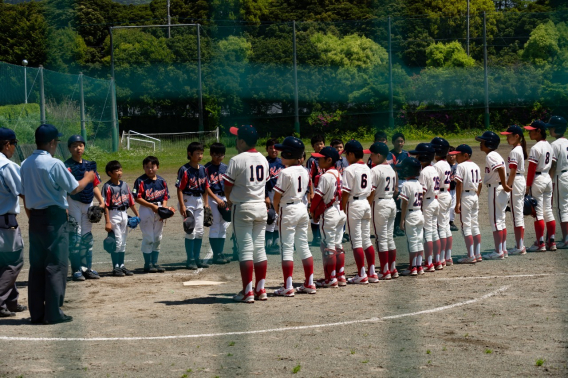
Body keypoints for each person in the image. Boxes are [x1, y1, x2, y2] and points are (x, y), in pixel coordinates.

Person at [21, 124, 96, 324]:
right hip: (54, 217)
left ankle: (37, 313)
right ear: (52, 143)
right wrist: (88, 177)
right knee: (55, 264)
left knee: (37, 266)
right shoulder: (54, 164)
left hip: (35, 217)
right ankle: (53, 313)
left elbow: (23, 192)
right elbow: (74, 188)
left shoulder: (25, 163)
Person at [223, 125, 270, 303]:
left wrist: (229, 199)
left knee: (245, 251)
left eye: (237, 138)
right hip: (260, 206)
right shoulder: (263, 159)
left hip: (242, 207)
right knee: (259, 249)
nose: (236, 141)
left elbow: (227, 186)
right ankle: (261, 289)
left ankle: (248, 291)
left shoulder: (236, 160)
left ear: (242, 141)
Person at [272, 137, 316, 296]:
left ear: (289, 153)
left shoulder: (285, 172)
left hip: (288, 209)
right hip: (301, 208)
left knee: (287, 248)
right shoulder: (305, 170)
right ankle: (310, 283)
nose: (280, 153)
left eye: (283, 151)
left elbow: (276, 197)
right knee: (303, 246)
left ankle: (288, 286)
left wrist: (277, 211)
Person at [64, 135, 103, 281]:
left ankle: (86, 268)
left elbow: (94, 185)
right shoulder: (66, 166)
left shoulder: (89, 165)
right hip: (72, 202)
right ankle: (76, 270)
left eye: (80, 145)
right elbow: (63, 188)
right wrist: (65, 207)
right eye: (74, 145)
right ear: (69, 148)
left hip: (88, 203)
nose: (78, 148)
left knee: (87, 237)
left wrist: (101, 201)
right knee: (75, 237)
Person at [340, 140, 377, 284]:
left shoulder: (349, 170)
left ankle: (361, 274)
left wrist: (342, 209)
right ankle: (372, 272)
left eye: (346, 154)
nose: (346, 158)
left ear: (351, 153)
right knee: (366, 239)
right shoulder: (368, 168)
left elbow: (345, 193)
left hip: (354, 204)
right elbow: (372, 190)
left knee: (356, 241)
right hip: (365, 203)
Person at [0, 128, 27, 318]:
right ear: (7, 144)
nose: (14, 148)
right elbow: (22, 190)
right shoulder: (7, 166)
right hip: (5, 220)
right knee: (14, 261)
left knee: (5, 262)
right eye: (13, 144)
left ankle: (11, 301)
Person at [309, 146, 346, 288]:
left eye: (320, 158)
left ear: (329, 160)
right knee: (338, 244)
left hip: (329, 213)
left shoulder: (325, 176)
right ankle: (340, 276)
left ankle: (330, 279)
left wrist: (313, 212)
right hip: (339, 211)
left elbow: (318, 197)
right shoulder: (338, 174)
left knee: (328, 246)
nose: (317, 160)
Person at [133, 156, 173, 273]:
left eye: (152, 167)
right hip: (147, 209)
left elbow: (165, 196)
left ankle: (154, 263)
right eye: (147, 167)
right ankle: (148, 263)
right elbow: (137, 198)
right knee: (149, 237)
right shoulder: (140, 181)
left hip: (159, 208)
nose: (150, 169)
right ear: (144, 168)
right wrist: (152, 206)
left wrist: (164, 207)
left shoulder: (162, 181)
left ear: (157, 167)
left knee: (157, 237)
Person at [476, 131, 511, 260]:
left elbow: (500, 169)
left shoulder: (490, 155)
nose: (481, 144)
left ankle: (498, 251)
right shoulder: (495, 154)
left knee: (496, 222)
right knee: (501, 221)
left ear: (489, 143)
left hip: (496, 188)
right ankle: (503, 249)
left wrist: (505, 184)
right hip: (499, 188)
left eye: (483, 142)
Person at [102, 160, 139, 276]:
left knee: (123, 242)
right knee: (117, 241)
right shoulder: (107, 187)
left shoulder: (125, 185)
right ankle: (116, 267)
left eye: (120, 170)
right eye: (116, 170)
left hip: (124, 214)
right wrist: (107, 222)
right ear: (110, 173)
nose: (119, 172)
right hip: (113, 214)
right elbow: (105, 205)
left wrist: (137, 215)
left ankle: (122, 265)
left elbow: (131, 202)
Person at [177, 142, 210, 269]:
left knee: (200, 231)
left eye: (201, 153)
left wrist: (206, 203)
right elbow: (179, 188)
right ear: (190, 154)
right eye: (197, 153)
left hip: (199, 200)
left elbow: (205, 187)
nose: (200, 156)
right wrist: (182, 205)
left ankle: (197, 258)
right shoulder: (184, 170)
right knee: (190, 230)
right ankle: (190, 259)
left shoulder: (203, 169)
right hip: (187, 200)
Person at [524, 120, 556, 252]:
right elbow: (553, 164)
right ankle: (552, 242)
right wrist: (549, 177)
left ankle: (540, 243)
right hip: (547, 178)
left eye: (532, 130)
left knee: (538, 213)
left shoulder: (535, 148)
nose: (529, 132)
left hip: (537, 179)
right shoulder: (549, 145)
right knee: (548, 210)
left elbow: (531, 169)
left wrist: (527, 186)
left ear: (539, 131)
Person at [449, 145, 482, 264]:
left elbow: (459, 184)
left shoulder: (461, 166)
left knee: (466, 226)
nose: (456, 156)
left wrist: (457, 202)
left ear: (466, 155)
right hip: (474, 195)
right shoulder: (476, 166)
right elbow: (480, 184)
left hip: (466, 196)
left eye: (458, 154)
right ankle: (477, 254)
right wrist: (476, 196)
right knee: (475, 225)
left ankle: (470, 255)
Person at [369, 142, 398, 279]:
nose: (371, 157)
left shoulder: (375, 170)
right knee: (389, 237)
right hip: (391, 202)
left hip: (380, 203)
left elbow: (371, 191)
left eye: (372, 154)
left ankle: (385, 270)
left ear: (379, 155)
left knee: (381, 238)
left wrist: (368, 206)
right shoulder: (391, 169)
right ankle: (392, 269)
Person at [409, 143, 439, 272]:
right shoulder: (433, 169)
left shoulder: (424, 172)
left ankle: (428, 262)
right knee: (434, 233)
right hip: (434, 201)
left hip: (426, 203)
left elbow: (421, 192)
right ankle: (436, 261)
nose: (416, 157)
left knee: (427, 234)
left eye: (418, 154)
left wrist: (419, 208)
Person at [500, 125, 528, 255]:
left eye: (509, 135)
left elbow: (512, 172)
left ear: (517, 136)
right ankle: (519, 245)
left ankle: (520, 246)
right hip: (519, 180)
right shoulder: (519, 149)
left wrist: (507, 186)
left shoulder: (515, 151)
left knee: (516, 215)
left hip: (515, 181)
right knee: (517, 214)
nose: (506, 138)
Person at [397, 157, 425, 276]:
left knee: (412, 241)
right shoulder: (418, 183)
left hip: (411, 214)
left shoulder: (406, 185)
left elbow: (404, 203)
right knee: (419, 241)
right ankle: (419, 266)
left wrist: (402, 220)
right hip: (419, 213)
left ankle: (413, 267)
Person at [205, 142, 231, 264]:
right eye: (216, 154)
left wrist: (227, 199)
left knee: (223, 226)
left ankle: (220, 253)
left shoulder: (225, 168)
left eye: (221, 155)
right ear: (210, 154)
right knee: (215, 226)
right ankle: (216, 254)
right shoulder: (206, 169)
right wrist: (217, 199)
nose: (218, 157)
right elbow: (206, 187)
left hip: (224, 197)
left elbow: (229, 185)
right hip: (213, 198)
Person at [431, 137, 453, 268]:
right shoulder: (446, 164)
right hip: (447, 194)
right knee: (445, 227)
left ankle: (440, 258)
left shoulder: (437, 165)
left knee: (440, 228)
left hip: (439, 194)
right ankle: (447, 256)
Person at [547, 116, 568, 249]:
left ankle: (566, 238)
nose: (549, 129)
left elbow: (553, 164)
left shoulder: (554, 145)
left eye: (551, 127)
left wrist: (549, 179)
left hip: (561, 177)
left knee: (562, 209)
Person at [265, 138, 285, 254]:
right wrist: (265, 195)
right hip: (269, 193)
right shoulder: (264, 162)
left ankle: (276, 243)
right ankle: (268, 245)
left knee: (279, 219)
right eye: (271, 148)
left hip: (280, 193)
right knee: (271, 218)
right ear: (266, 149)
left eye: (276, 148)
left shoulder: (281, 162)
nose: (273, 150)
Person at [306, 135, 325, 246]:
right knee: (315, 212)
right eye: (317, 144)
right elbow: (309, 177)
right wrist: (311, 192)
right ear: (313, 146)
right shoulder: (312, 160)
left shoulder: (327, 157)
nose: (319, 146)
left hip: (326, 189)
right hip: (316, 188)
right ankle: (316, 237)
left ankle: (323, 235)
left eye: (321, 143)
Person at [391, 132, 408, 237]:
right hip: (395, 181)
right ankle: (396, 226)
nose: (400, 143)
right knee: (396, 204)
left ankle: (402, 225)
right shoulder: (390, 154)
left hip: (404, 180)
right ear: (393, 142)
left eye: (401, 141)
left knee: (403, 204)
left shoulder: (406, 154)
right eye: (397, 141)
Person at [447, 146, 459, 232]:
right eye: (449, 155)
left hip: (454, 189)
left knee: (453, 206)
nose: (451, 157)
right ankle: (445, 222)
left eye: (453, 155)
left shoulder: (458, 166)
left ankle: (451, 221)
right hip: (446, 189)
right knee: (446, 206)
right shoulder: (445, 165)